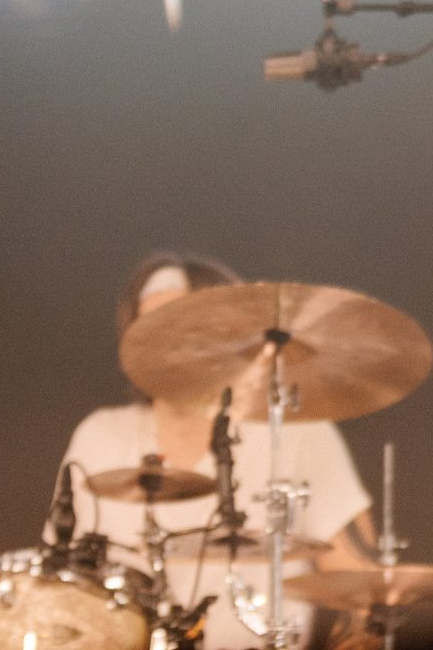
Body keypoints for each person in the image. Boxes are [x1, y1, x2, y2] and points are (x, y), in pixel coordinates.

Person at [53, 253, 379, 650]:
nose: (164, 341)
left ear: (230, 334)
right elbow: (60, 589)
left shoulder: (296, 433)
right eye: (148, 327)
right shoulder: (100, 437)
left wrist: (364, 631)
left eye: (181, 324)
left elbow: (363, 587)